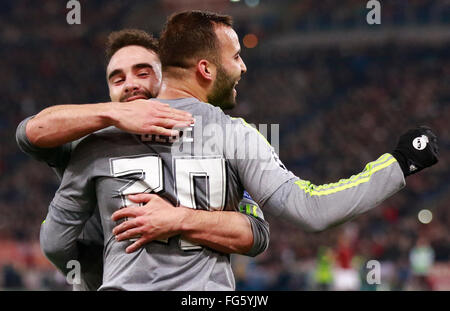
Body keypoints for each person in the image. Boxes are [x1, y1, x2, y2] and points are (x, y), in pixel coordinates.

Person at [39, 10, 439, 291]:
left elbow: (56, 241)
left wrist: (100, 277)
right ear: (205, 69)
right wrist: (401, 162)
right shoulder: (235, 134)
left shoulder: (101, 134)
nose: (243, 67)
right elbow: (311, 210)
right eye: (236, 56)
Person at [16, 29, 269, 290]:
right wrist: (113, 114)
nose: (130, 84)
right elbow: (30, 133)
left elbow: (255, 234)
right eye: (118, 79)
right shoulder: (91, 138)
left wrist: (179, 220)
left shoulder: (218, 138)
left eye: (143, 73)